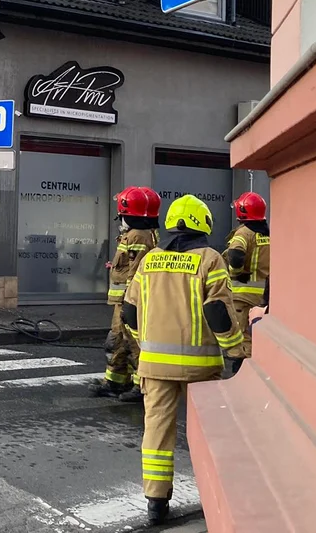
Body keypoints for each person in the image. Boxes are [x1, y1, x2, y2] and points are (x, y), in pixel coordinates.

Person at [123, 195, 244, 525]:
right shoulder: (210, 259)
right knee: (208, 433)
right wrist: (235, 352)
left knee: (157, 433)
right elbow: (218, 311)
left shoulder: (149, 260)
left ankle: (155, 504)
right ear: (202, 225)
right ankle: (213, 497)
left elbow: (129, 313)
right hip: (201, 368)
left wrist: (145, 346)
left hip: (154, 367)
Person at [90, 186, 161, 402]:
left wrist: (131, 302)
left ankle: (141, 387)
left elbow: (137, 272)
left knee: (133, 343)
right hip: (123, 301)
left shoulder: (138, 236)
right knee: (118, 341)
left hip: (130, 301)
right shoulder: (135, 234)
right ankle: (115, 381)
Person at [221, 192, 270, 373]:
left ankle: (243, 371)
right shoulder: (268, 232)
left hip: (243, 293)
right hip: (263, 294)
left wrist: (236, 273)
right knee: (257, 332)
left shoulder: (244, 232)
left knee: (243, 336)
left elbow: (235, 254)